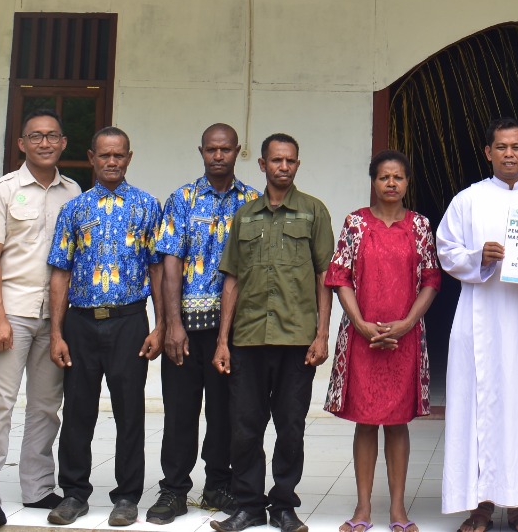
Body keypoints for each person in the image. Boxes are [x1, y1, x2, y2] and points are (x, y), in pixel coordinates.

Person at [438, 117, 518, 532]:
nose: (509, 154)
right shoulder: (468, 200)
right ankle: (480, 504)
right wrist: (480, 257)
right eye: (501, 147)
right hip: (480, 322)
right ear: (488, 152)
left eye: (516, 147)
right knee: (478, 409)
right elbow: (447, 250)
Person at [213, 134, 336, 532]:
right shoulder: (245, 215)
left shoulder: (313, 212)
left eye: (291, 161)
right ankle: (248, 505)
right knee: (245, 427)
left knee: (291, 427)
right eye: (276, 160)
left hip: (297, 340)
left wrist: (321, 335)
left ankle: (283, 504)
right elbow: (230, 279)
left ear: (297, 165)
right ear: (262, 164)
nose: (284, 167)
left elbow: (324, 277)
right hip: (247, 339)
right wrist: (222, 341)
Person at [45, 128, 165, 528]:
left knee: (130, 411)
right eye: (104, 156)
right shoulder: (75, 209)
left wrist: (161, 324)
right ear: (91, 158)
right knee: (78, 411)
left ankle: (127, 496)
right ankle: (74, 493)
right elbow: (60, 272)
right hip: (80, 324)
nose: (112, 162)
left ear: (129, 157)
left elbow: (158, 269)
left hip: (130, 321)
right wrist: (57, 333)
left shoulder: (148, 206)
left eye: (119, 156)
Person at [0, 110, 80, 528]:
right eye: (36, 136)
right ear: (22, 143)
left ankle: (37, 486)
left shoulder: (74, 193)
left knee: (46, 405)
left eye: (53, 136)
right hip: (13, 313)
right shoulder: (1, 191)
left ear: (64, 142)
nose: (45, 143)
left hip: (55, 317)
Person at [148, 123, 260, 523]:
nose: (218, 156)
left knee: (225, 412)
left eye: (225, 149)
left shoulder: (253, 202)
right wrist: (172, 324)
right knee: (180, 411)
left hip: (234, 331)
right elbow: (169, 261)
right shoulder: (181, 199)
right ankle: (174, 490)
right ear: (201, 151)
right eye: (211, 149)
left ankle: (218, 486)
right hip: (187, 329)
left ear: (237, 151)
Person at [326, 150, 441, 532]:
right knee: (365, 421)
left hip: (405, 338)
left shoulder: (420, 226)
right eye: (383, 177)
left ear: (408, 183)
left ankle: (397, 511)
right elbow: (339, 275)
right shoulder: (356, 224)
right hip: (362, 338)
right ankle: (362, 510)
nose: (391, 184)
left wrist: (408, 322)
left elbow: (431, 279)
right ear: (373, 182)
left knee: (397, 422)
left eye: (398, 178)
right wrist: (358, 322)